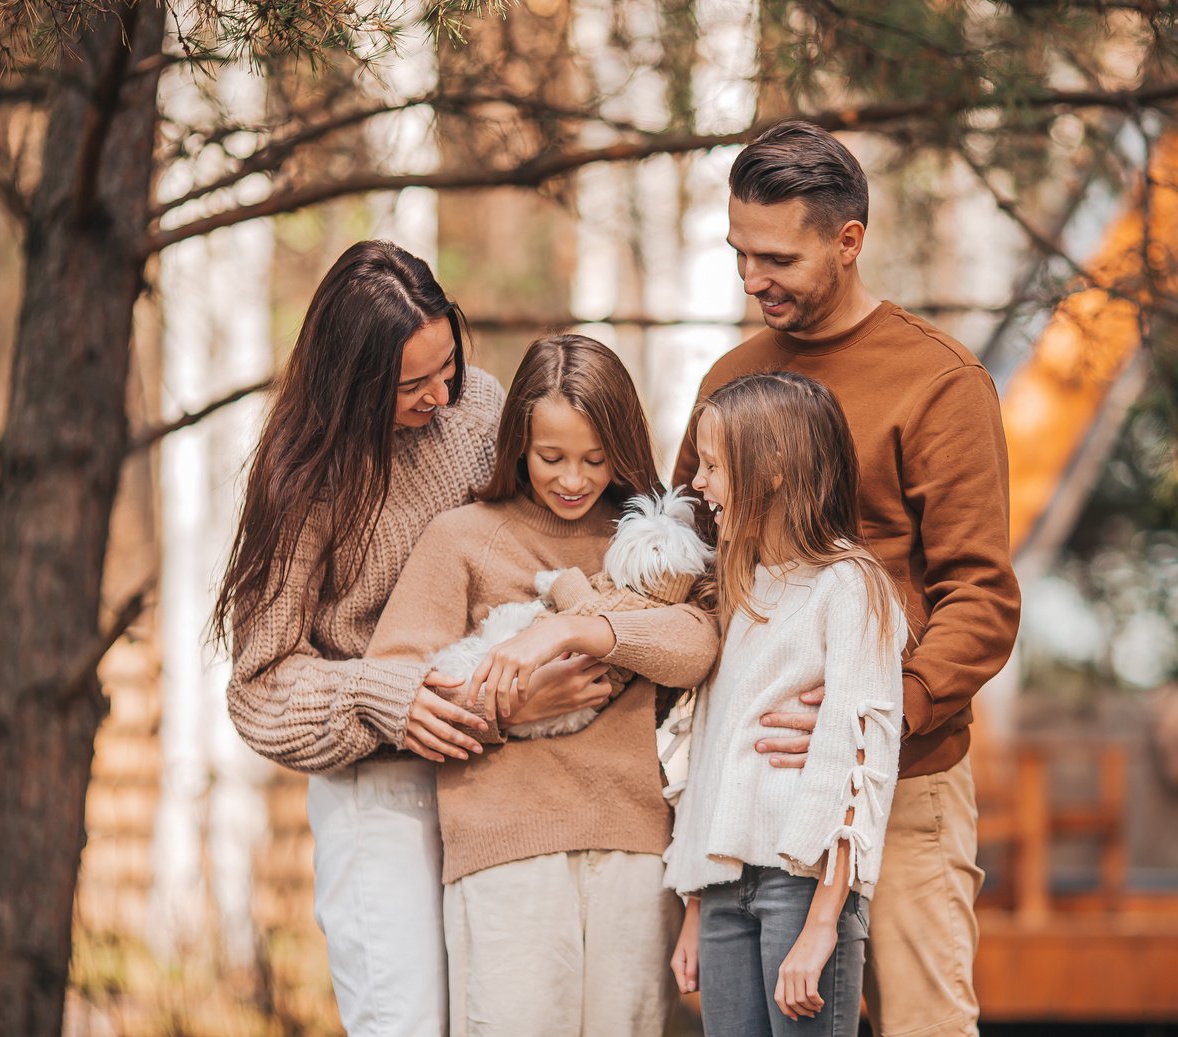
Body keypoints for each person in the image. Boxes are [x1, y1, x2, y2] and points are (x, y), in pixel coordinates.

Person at [671, 121, 1022, 1037]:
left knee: (921, 1025)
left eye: (777, 256)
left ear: (848, 241)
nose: (753, 279)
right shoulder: (732, 381)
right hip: (753, 800)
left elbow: (981, 598)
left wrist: (873, 718)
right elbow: (692, 566)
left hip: (904, 784)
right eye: (740, 253)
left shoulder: (937, 383)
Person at [217, 241, 614, 1035]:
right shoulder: (307, 480)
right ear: (352, 381)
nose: (439, 394)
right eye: (411, 385)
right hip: (383, 792)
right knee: (405, 1022)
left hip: (505, 775)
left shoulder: (482, 407)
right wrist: (380, 690)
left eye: (448, 366)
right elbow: (258, 684)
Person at [365, 333, 720, 1037]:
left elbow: (696, 645)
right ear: (517, 445)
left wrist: (573, 628)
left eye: (595, 458)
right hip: (505, 853)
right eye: (550, 457)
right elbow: (392, 689)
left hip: (636, 852)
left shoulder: (650, 542)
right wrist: (510, 704)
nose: (572, 479)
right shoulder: (463, 537)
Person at [665, 372, 908, 1036]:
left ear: (770, 469)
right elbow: (705, 746)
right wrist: (694, 902)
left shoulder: (848, 585)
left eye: (714, 465)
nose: (702, 483)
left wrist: (825, 921)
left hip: (801, 889)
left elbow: (856, 759)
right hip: (722, 893)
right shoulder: (737, 589)